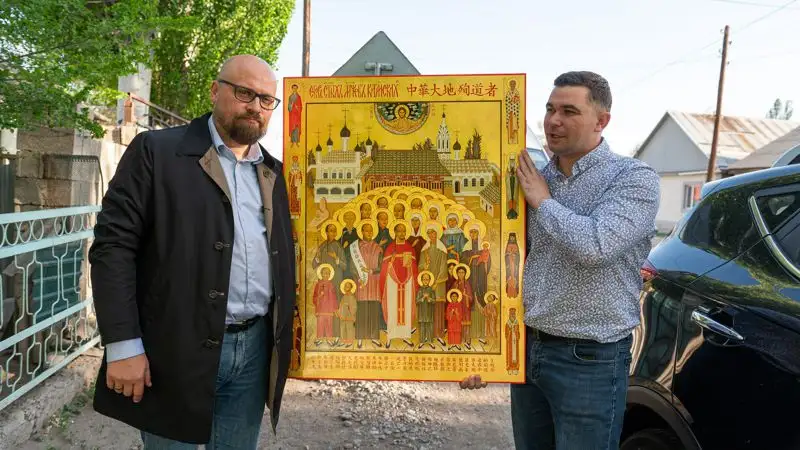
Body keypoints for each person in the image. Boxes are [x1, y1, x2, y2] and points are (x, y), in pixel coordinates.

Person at [89, 54, 296, 449]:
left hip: (253, 352)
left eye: (266, 99)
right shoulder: (157, 152)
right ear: (215, 91)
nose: (255, 106)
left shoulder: (275, 174)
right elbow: (113, 248)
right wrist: (123, 344)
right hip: (174, 348)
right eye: (244, 93)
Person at [460, 71, 660, 450]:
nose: (553, 121)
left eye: (569, 111)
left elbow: (596, 245)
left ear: (602, 121)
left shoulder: (632, 178)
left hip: (588, 359)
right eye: (550, 109)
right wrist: (482, 351)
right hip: (527, 348)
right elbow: (490, 250)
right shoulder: (528, 178)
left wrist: (542, 201)